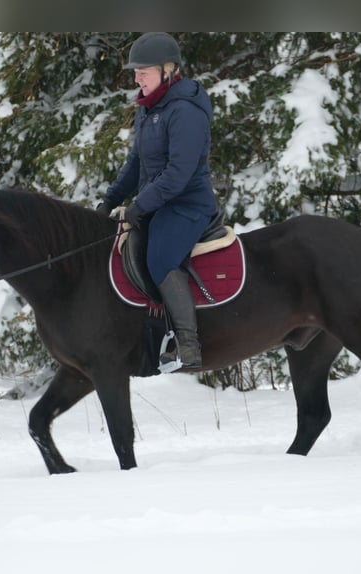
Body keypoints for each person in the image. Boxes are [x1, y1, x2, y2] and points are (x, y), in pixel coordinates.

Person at [97, 32, 218, 370]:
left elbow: (178, 173)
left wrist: (140, 206)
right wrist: (109, 202)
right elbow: (135, 165)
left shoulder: (185, 110)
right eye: (135, 72)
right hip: (159, 202)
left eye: (144, 72)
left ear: (168, 70)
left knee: (161, 257)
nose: (137, 78)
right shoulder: (148, 110)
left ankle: (187, 342)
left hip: (187, 204)